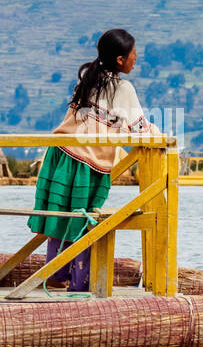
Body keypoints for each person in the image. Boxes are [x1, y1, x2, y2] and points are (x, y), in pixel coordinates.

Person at [28, 28, 157, 292]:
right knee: (85, 219)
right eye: (133, 53)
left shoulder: (89, 79)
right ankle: (80, 283)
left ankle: (56, 274)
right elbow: (140, 129)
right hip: (86, 163)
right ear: (120, 60)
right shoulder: (123, 88)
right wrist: (163, 137)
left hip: (60, 155)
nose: (137, 58)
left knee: (61, 215)